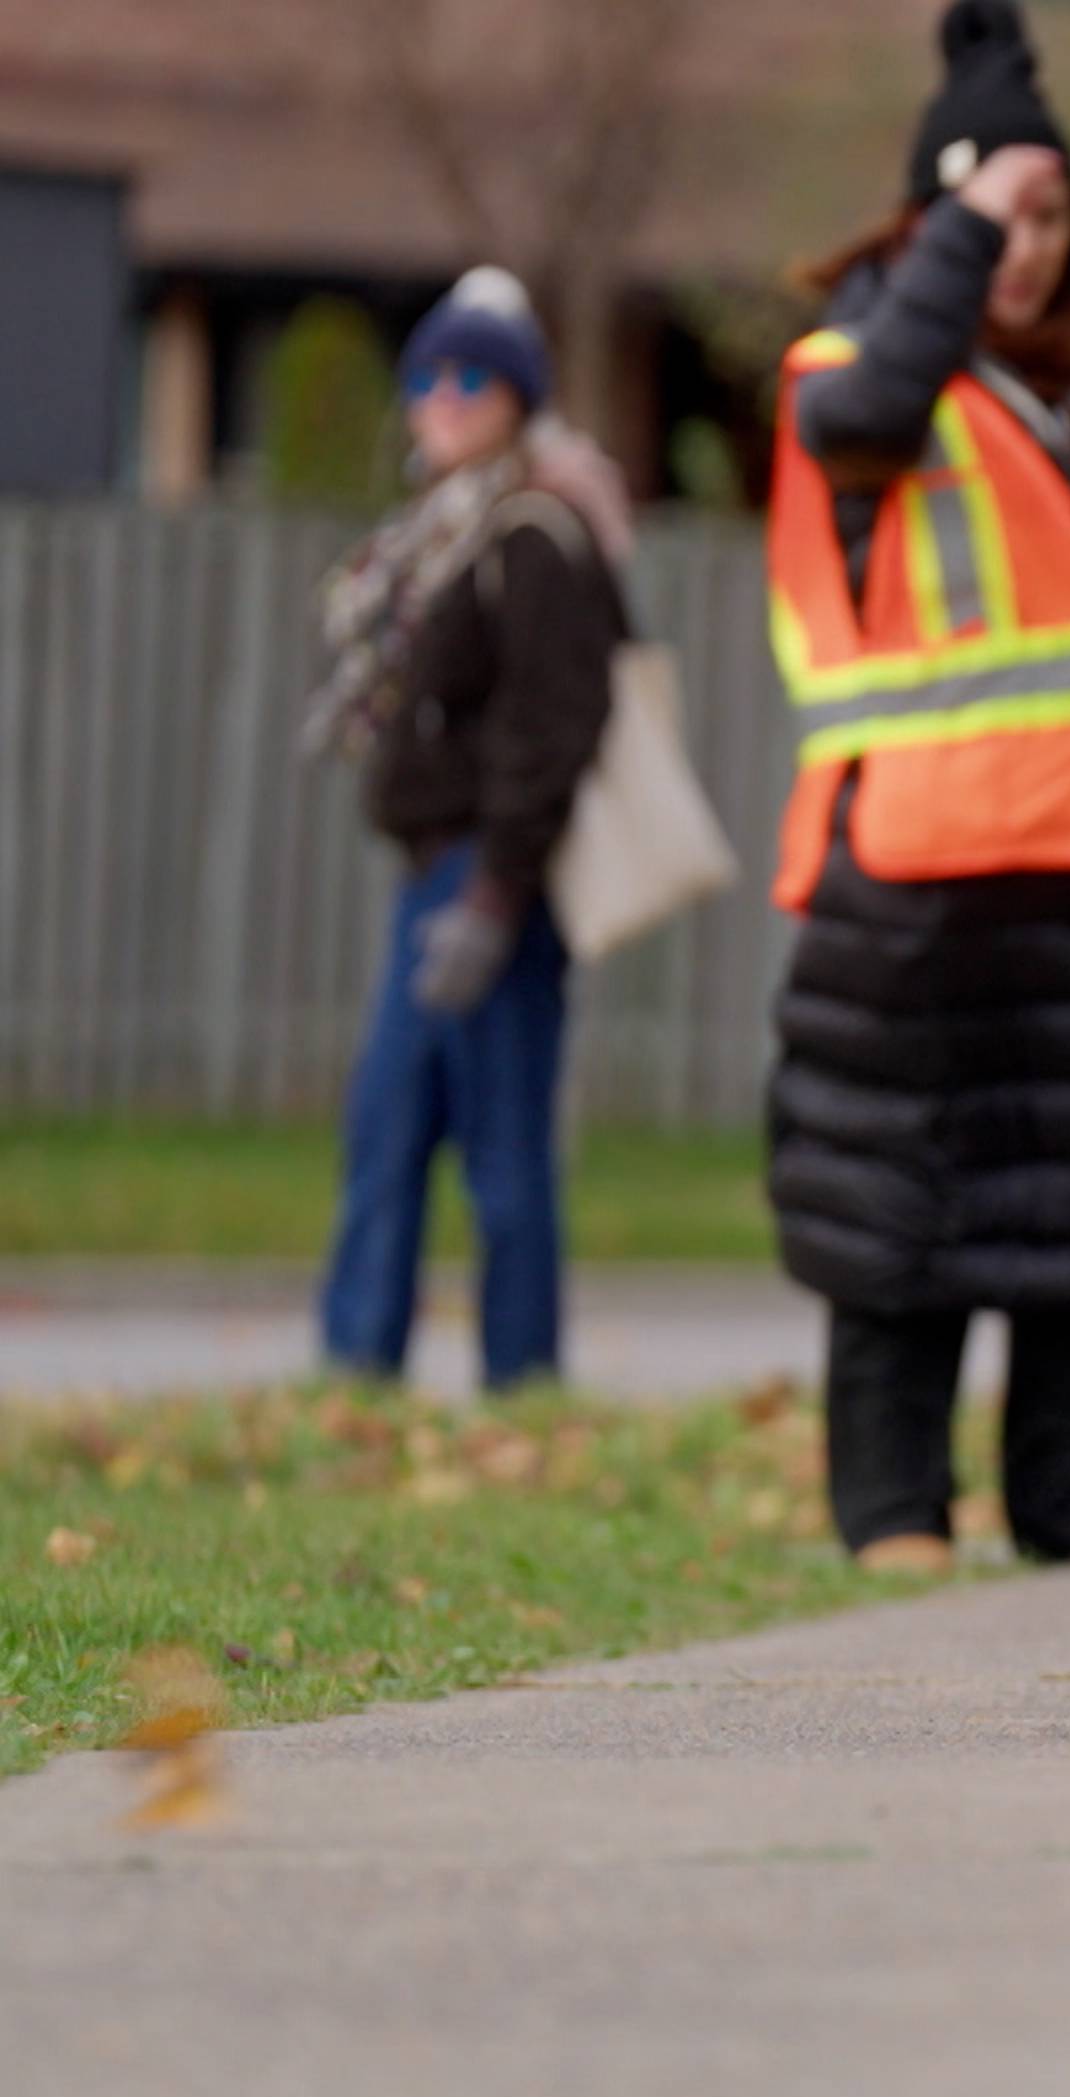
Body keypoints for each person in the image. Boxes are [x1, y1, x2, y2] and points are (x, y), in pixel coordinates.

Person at [763, 0, 1070, 1576]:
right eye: (989, 219)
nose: (1024, 250)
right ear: (932, 219)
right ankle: (893, 1501)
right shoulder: (848, 376)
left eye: (1047, 217)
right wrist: (956, 235)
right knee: (903, 1196)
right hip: (917, 868)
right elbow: (872, 410)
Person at [310, 266, 634, 1394]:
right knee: (388, 1129)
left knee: (501, 1153)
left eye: (473, 378)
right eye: (429, 377)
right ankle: (357, 1368)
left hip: (493, 885)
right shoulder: (443, 536)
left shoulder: (536, 535)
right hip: (434, 879)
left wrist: (496, 893)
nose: (444, 397)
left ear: (518, 398)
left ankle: (522, 1381)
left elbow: (556, 726)